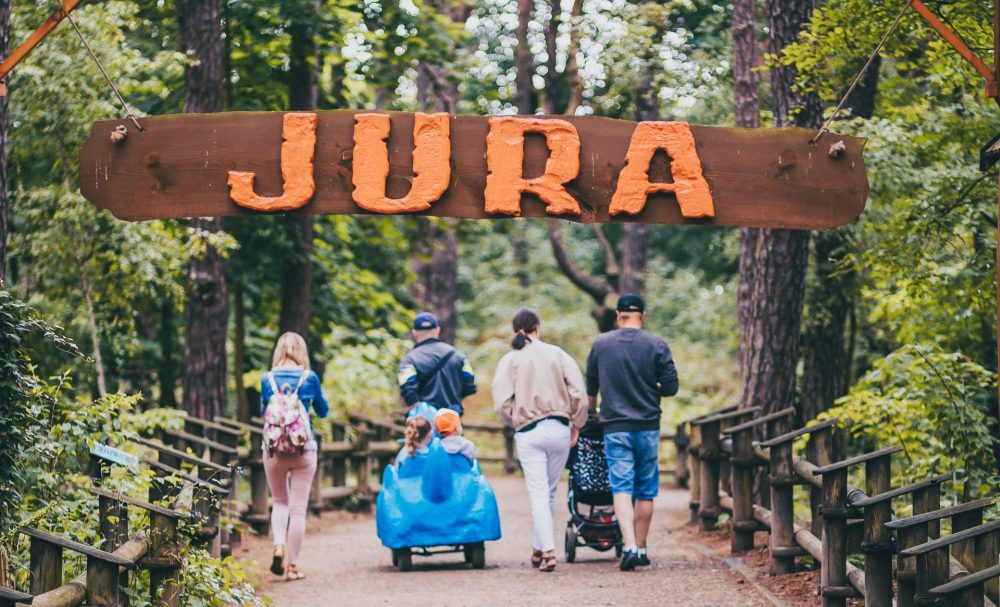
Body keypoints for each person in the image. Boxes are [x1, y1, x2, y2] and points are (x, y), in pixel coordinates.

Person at [585, 294, 678, 571]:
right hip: (648, 425)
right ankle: (642, 546)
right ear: (643, 316)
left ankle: (629, 547)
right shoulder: (657, 344)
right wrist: (653, 387)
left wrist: (592, 411)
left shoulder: (601, 344)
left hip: (615, 426)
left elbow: (591, 384)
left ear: (618, 315)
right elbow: (671, 387)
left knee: (622, 488)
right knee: (645, 490)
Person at [492, 308, 588, 573]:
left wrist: (515, 420)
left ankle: (547, 550)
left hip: (529, 431)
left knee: (538, 491)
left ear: (515, 330)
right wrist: (577, 422)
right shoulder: (558, 354)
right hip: (559, 428)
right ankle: (539, 548)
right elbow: (579, 393)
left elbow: (501, 403)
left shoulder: (510, 360)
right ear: (538, 327)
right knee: (549, 491)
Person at [261, 332, 329, 582]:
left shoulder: (267, 379)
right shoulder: (309, 378)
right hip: (304, 449)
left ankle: (279, 545)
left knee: (279, 502)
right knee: (298, 509)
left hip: (273, 449)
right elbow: (323, 410)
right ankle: (292, 566)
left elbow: (263, 411)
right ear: (301, 351)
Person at [397, 312, 477, 415]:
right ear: (438, 330)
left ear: (414, 333)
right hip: (451, 418)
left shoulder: (409, 360)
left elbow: (407, 388)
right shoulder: (459, 355)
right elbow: (470, 386)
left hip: (423, 421)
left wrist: (418, 408)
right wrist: (453, 399)